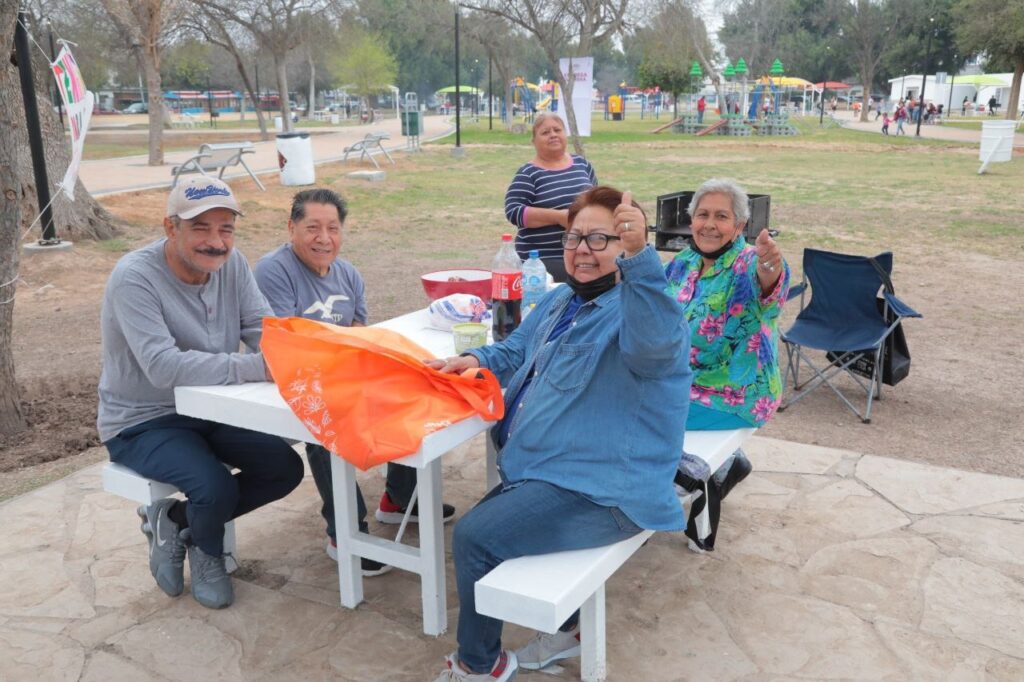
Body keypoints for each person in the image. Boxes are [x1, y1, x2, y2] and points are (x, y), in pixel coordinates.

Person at [428, 186, 692, 681]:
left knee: (473, 537)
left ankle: (480, 665)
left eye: (600, 239)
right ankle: (570, 630)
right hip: (551, 470)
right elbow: (514, 351)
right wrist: (474, 359)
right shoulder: (561, 298)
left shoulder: (642, 309)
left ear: (625, 246)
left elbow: (655, 349)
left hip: (606, 490)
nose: (582, 250)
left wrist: (641, 260)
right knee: (482, 527)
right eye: (574, 237)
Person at [98, 177, 304, 610]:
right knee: (215, 488)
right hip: (142, 420)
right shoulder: (134, 277)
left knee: (284, 467)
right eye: (201, 228)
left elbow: (263, 330)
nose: (216, 242)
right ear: (171, 228)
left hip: (212, 407)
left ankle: (173, 521)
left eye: (226, 229)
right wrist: (254, 366)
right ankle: (208, 553)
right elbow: (162, 366)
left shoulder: (234, 265)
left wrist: (298, 357)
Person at [254, 189, 456, 576]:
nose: (323, 238)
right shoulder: (273, 270)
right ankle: (345, 530)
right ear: (291, 228)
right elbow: (285, 342)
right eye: (312, 227)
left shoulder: (348, 273)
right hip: (288, 378)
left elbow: (361, 331)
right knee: (324, 423)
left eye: (332, 228)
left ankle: (399, 497)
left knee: (409, 384)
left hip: (339, 369)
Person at [664, 179, 790, 546]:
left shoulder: (749, 262)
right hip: (685, 381)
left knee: (642, 414)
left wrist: (771, 267)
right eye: (702, 214)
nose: (710, 224)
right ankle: (726, 464)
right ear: (690, 222)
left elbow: (770, 286)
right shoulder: (683, 264)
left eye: (722, 216)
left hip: (738, 394)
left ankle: (698, 481)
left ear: (739, 226)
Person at [504, 112, 598, 282]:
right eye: (545, 132)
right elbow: (514, 212)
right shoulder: (528, 173)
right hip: (541, 261)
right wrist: (560, 217)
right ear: (534, 141)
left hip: (584, 255)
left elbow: (597, 202)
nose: (553, 135)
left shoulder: (582, 165)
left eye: (557, 130)